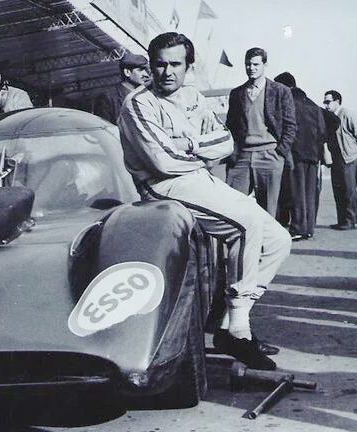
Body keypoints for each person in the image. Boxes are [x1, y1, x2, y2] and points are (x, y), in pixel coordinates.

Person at [118, 32, 291, 370]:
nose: (168, 72)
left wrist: (189, 145)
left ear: (189, 66)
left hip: (198, 179)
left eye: (176, 64)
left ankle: (228, 325)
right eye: (160, 64)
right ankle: (239, 331)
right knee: (246, 225)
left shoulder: (193, 96)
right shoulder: (138, 103)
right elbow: (163, 162)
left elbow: (226, 142)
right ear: (151, 66)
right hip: (163, 187)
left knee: (278, 240)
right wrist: (199, 151)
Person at [226, 48, 297, 217]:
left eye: (256, 64)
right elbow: (230, 126)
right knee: (232, 208)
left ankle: (265, 237)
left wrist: (280, 152)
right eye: (248, 64)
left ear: (265, 65)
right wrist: (234, 153)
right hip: (242, 157)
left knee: (268, 211)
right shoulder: (236, 93)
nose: (251, 68)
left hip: (270, 156)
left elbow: (290, 125)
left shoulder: (280, 91)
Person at [273, 72, 326, 240]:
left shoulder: (287, 102)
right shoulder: (313, 105)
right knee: (310, 193)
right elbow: (324, 129)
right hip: (313, 155)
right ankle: (309, 228)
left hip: (294, 153)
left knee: (296, 192)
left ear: (284, 86)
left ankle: (297, 228)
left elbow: (283, 128)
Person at [323, 90, 357, 230]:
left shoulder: (348, 115)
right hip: (336, 160)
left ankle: (350, 220)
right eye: (324, 102)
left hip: (349, 159)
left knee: (349, 191)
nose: (325, 105)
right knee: (338, 191)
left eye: (328, 102)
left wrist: (353, 151)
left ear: (337, 101)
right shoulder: (329, 118)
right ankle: (342, 220)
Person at [94, 52, 150, 124]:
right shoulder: (108, 97)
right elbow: (104, 126)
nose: (146, 74)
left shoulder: (148, 94)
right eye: (140, 70)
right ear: (127, 72)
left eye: (147, 70)